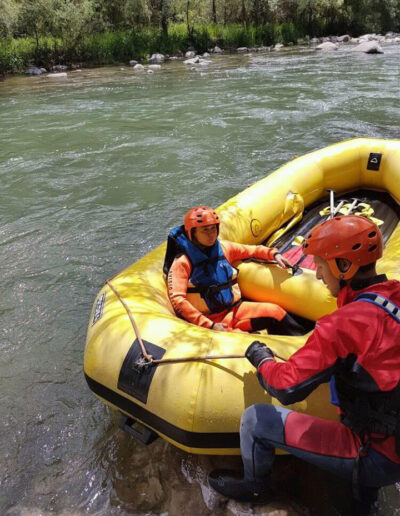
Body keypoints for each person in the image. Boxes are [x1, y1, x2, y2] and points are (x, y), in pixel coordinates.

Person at [208, 215, 400, 515]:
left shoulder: (342, 326)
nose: (319, 275)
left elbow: (285, 386)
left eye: (321, 266)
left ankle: (256, 487)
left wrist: (262, 357)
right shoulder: (395, 294)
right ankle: (366, 503)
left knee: (255, 420)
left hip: (378, 455)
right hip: (393, 439)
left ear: (344, 267)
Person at [163, 206, 306, 335]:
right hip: (208, 322)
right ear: (192, 234)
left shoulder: (224, 248)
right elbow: (178, 300)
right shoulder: (182, 262)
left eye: (213, 229)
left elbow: (252, 250)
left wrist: (274, 254)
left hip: (234, 311)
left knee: (276, 312)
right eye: (205, 230)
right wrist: (209, 325)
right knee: (246, 339)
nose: (211, 234)